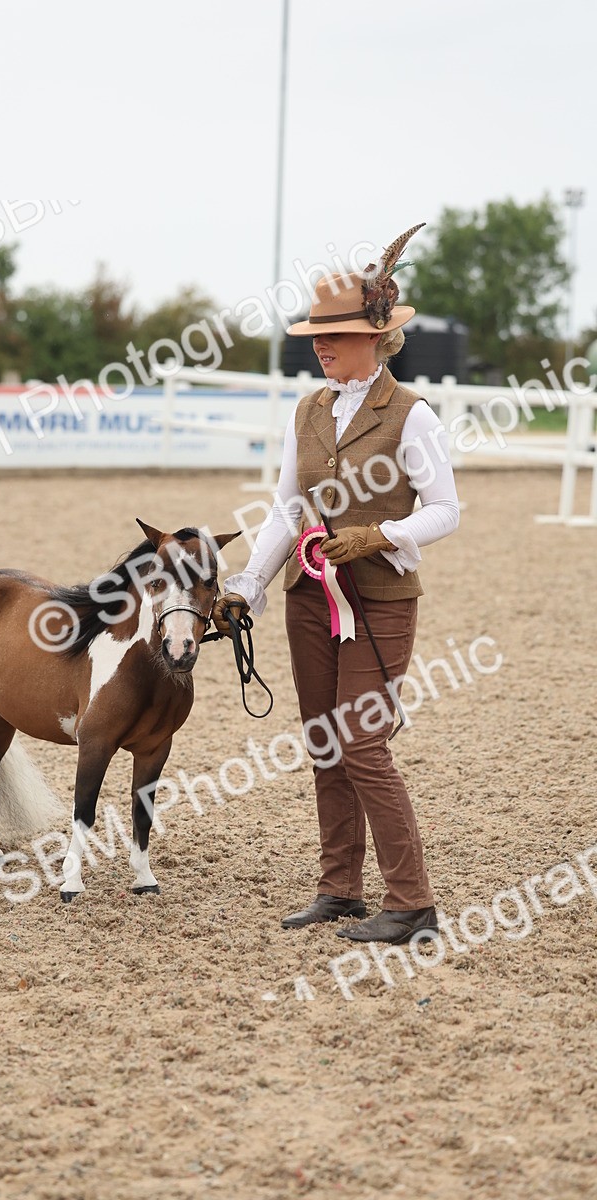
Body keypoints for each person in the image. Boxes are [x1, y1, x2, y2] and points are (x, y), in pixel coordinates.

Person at [212, 225, 459, 945]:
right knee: (326, 743)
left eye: (336, 335)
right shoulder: (309, 411)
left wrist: (380, 535)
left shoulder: (411, 414)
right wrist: (249, 583)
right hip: (309, 598)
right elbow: (287, 509)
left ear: (375, 337)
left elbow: (446, 510)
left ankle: (412, 902)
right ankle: (340, 888)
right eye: (317, 335)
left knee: (363, 745)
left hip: (379, 601)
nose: (321, 345)